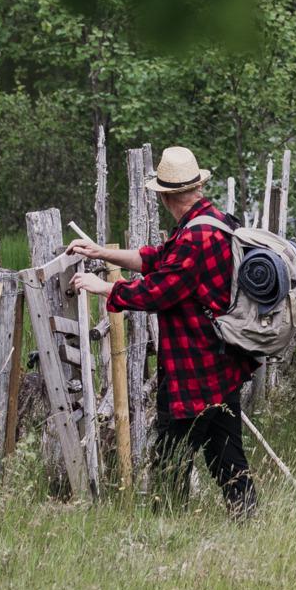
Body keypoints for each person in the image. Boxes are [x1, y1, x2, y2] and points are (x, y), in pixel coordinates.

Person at [67, 146, 257, 514]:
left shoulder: (195, 237)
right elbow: (157, 259)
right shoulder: (213, 221)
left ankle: (166, 527)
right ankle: (248, 518)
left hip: (194, 371)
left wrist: (106, 288)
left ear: (169, 197)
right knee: (227, 456)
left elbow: (160, 291)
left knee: (170, 458)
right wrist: (102, 254)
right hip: (222, 366)